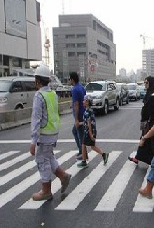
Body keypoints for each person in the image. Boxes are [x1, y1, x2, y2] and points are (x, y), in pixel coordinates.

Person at [30, 65, 71, 201]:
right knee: (49, 157)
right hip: (53, 132)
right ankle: (63, 176)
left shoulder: (39, 96)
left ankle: (46, 191)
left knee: (42, 160)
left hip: (44, 134)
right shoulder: (52, 94)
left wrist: (33, 141)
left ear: (37, 81)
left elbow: (36, 119)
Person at [128, 76, 154, 165]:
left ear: (150, 83)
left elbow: (152, 110)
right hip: (145, 121)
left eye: (146, 82)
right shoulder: (148, 93)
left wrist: (149, 122)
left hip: (149, 122)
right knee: (145, 139)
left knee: (149, 140)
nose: (145, 84)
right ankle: (138, 157)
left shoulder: (153, 95)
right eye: (144, 82)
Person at [77, 95, 108, 168]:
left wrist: (91, 135)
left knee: (84, 145)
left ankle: (84, 161)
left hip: (88, 132)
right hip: (88, 132)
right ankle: (103, 155)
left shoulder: (88, 111)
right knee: (91, 146)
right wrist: (80, 123)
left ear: (87, 102)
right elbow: (86, 122)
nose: (83, 101)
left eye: (84, 100)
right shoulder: (88, 110)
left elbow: (89, 124)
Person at [69, 72, 86, 160]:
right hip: (83, 113)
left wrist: (76, 119)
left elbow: (76, 104)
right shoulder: (82, 87)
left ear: (72, 79)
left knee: (80, 134)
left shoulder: (75, 89)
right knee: (77, 132)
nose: (69, 81)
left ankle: (83, 153)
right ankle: (82, 151)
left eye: (69, 79)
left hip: (79, 115)